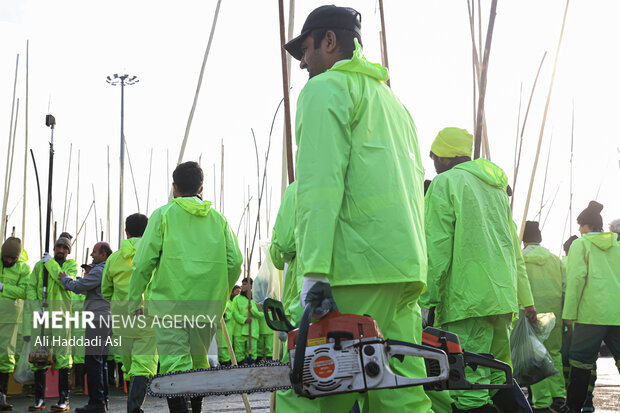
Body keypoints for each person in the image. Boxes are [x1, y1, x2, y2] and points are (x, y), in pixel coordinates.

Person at [283, 5, 432, 411]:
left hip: (350, 271)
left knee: (309, 392)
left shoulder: (326, 89)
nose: (302, 64)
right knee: (399, 394)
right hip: (402, 271)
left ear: (329, 41)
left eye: (306, 50)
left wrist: (313, 271)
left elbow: (318, 186)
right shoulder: (394, 104)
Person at [421, 127, 537, 412]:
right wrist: (524, 298)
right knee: (499, 378)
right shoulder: (496, 191)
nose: (434, 163)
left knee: (469, 387)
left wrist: (426, 299)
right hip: (500, 299)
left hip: (466, 301)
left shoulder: (445, 183)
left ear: (446, 159)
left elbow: (436, 247)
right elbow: (511, 248)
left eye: (435, 156)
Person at [128, 161, 243, 413]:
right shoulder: (219, 220)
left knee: (174, 365)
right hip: (207, 306)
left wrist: (134, 299)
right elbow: (236, 263)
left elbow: (143, 262)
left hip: (170, 306)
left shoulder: (163, 215)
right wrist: (220, 295)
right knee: (199, 361)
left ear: (174, 187)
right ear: (202, 187)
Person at [559, 201, 620, 413]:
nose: (578, 230)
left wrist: (569, 315)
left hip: (590, 315)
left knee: (580, 361)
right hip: (617, 314)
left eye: (579, 226)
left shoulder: (581, 245)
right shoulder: (618, 246)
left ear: (586, 226)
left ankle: (574, 407)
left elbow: (576, 280)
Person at [101, 213, 158, 413]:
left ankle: (132, 407)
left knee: (129, 365)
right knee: (143, 364)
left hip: (122, 318)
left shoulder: (114, 258)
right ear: (149, 230)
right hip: (148, 315)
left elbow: (106, 291)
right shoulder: (155, 254)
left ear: (126, 232)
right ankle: (134, 408)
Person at [25, 232, 77, 412]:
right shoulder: (40, 266)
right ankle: (39, 399)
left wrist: (50, 263)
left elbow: (63, 280)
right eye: (58, 247)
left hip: (61, 317)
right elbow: (31, 288)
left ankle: (64, 399)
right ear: (54, 248)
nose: (61, 250)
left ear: (68, 251)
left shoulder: (71, 266)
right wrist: (35, 307)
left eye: (64, 248)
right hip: (42, 317)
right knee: (39, 357)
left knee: (63, 357)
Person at [59, 242, 112, 413]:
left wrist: (64, 278)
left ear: (104, 255)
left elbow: (77, 287)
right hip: (107, 318)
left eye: (95, 252)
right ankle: (103, 400)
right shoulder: (110, 270)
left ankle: (96, 402)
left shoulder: (99, 270)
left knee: (93, 361)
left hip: (97, 319)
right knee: (101, 361)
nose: (92, 255)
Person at [522, 221, 566, 412]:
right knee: (554, 354)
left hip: (529, 313)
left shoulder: (520, 259)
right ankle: (559, 397)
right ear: (539, 238)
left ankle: (541, 403)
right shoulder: (555, 259)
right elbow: (565, 288)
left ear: (523, 239)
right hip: (554, 314)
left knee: (534, 357)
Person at [0, 237, 30, 411]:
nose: (9, 261)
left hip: (10, 317)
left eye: (13, 258)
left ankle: (2, 395)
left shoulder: (24, 268)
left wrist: (4, 287)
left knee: (5, 356)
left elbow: (24, 291)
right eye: (6, 257)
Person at [231, 278, 261, 364]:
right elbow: (234, 313)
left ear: (251, 286)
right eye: (242, 284)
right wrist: (244, 320)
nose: (243, 286)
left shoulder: (256, 299)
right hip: (239, 331)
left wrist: (252, 310)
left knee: (252, 353)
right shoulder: (236, 299)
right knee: (239, 354)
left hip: (252, 331)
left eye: (245, 284)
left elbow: (261, 314)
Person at [218, 286, 239, 366]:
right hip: (218, 331)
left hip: (226, 330)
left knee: (225, 350)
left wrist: (225, 315)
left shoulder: (228, 303)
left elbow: (230, 314)